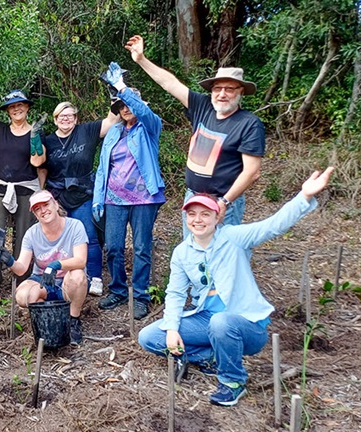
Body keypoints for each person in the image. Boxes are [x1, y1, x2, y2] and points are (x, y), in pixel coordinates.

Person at [138, 167, 334, 406]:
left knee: (222, 323)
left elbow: (272, 226)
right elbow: (176, 293)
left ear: (216, 217)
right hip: (206, 318)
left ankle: (232, 381)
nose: (198, 220)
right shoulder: (182, 252)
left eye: (204, 214)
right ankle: (210, 357)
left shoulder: (233, 237)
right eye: (192, 214)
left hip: (246, 324)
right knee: (149, 337)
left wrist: (303, 197)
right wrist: (171, 329)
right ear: (185, 217)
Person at [124, 35, 265, 234]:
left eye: (229, 89)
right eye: (217, 88)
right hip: (192, 198)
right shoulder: (203, 106)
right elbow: (169, 83)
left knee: (221, 257)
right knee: (192, 253)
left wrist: (225, 202)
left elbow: (252, 172)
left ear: (241, 92)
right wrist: (141, 60)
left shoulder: (249, 123)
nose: (222, 94)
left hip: (223, 201)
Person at [92, 62, 166, 320]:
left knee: (142, 247)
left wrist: (123, 89)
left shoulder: (149, 128)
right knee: (112, 247)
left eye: (129, 104)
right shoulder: (113, 133)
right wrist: (97, 199)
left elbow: (144, 113)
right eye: (121, 106)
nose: (125, 109)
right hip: (114, 199)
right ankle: (119, 290)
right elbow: (103, 167)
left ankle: (141, 295)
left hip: (145, 199)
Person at [0, 69, 45, 302]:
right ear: (8, 111)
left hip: (26, 188)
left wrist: (35, 138)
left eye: (20, 105)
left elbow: (39, 162)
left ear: (27, 107)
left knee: (24, 236)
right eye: (12, 107)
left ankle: (23, 282)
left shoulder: (36, 131)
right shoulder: (0, 129)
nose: (17, 109)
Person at [42, 97, 119, 296]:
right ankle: (61, 277)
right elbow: (38, 164)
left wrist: (115, 96)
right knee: (59, 238)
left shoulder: (87, 131)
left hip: (83, 194)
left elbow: (111, 121)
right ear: (55, 119)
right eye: (61, 116)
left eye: (70, 116)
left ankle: (94, 278)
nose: (66, 119)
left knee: (89, 237)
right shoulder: (48, 141)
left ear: (76, 118)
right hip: (56, 195)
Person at [0, 190, 88, 345]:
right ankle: (48, 320)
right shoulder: (31, 234)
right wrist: (9, 260)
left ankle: (73, 321)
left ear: (56, 204)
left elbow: (80, 260)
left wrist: (56, 265)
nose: (43, 210)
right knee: (23, 295)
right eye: (38, 209)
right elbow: (22, 268)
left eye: (46, 205)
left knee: (77, 275)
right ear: (35, 214)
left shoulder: (75, 226)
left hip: (68, 281)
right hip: (44, 280)